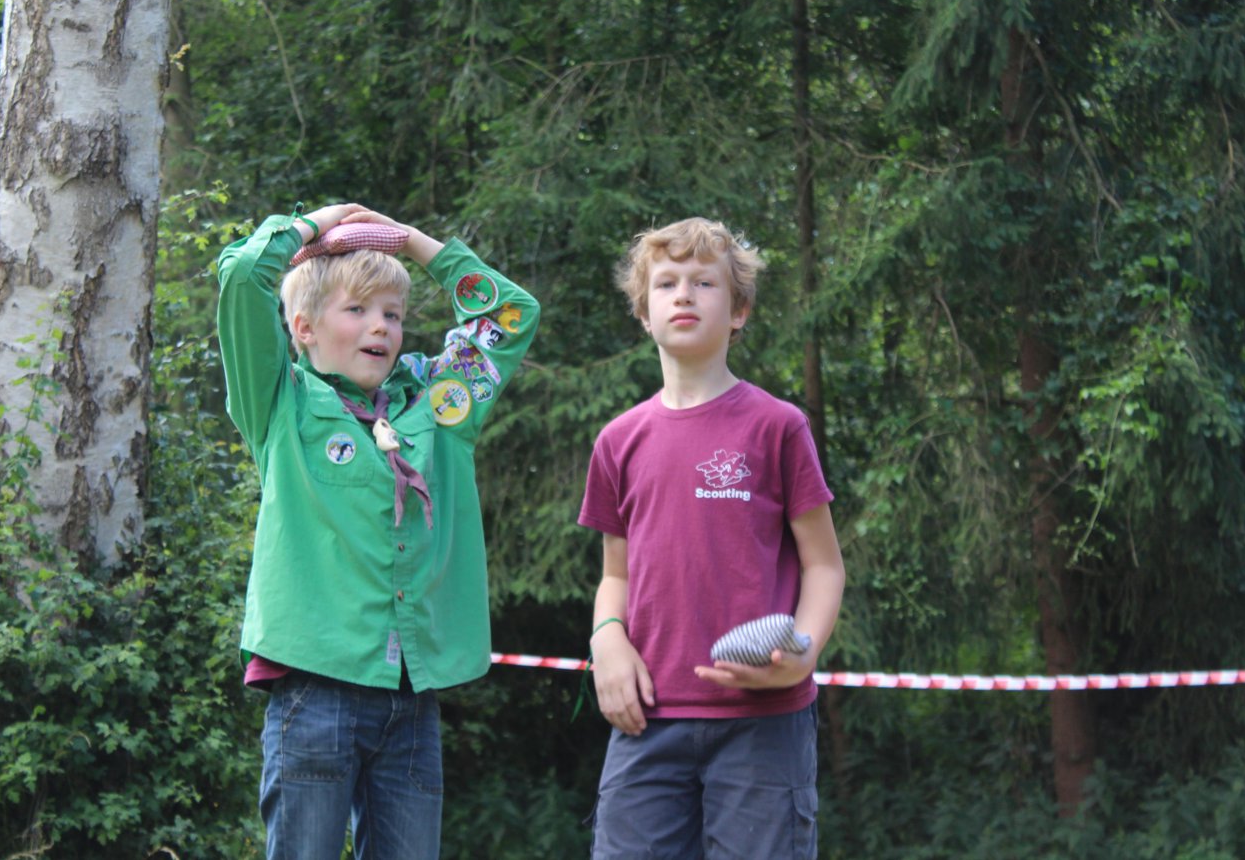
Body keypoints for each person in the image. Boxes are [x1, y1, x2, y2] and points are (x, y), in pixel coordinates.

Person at [217, 201, 539, 860]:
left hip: (410, 699)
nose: (380, 326)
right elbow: (245, 275)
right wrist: (319, 222)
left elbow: (512, 314)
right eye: (357, 309)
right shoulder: (280, 403)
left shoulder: (440, 407)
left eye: (392, 313)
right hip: (313, 691)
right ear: (303, 328)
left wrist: (411, 241)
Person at [578, 217, 845, 859]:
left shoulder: (779, 426)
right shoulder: (618, 441)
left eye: (704, 282)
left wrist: (804, 654)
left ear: (739, 311)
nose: (684, 294)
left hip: (764, 720)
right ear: (644, 314)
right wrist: (606, 641)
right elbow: (615, 576)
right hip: (647, 720)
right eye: (667, 283)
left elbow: (825, 567)